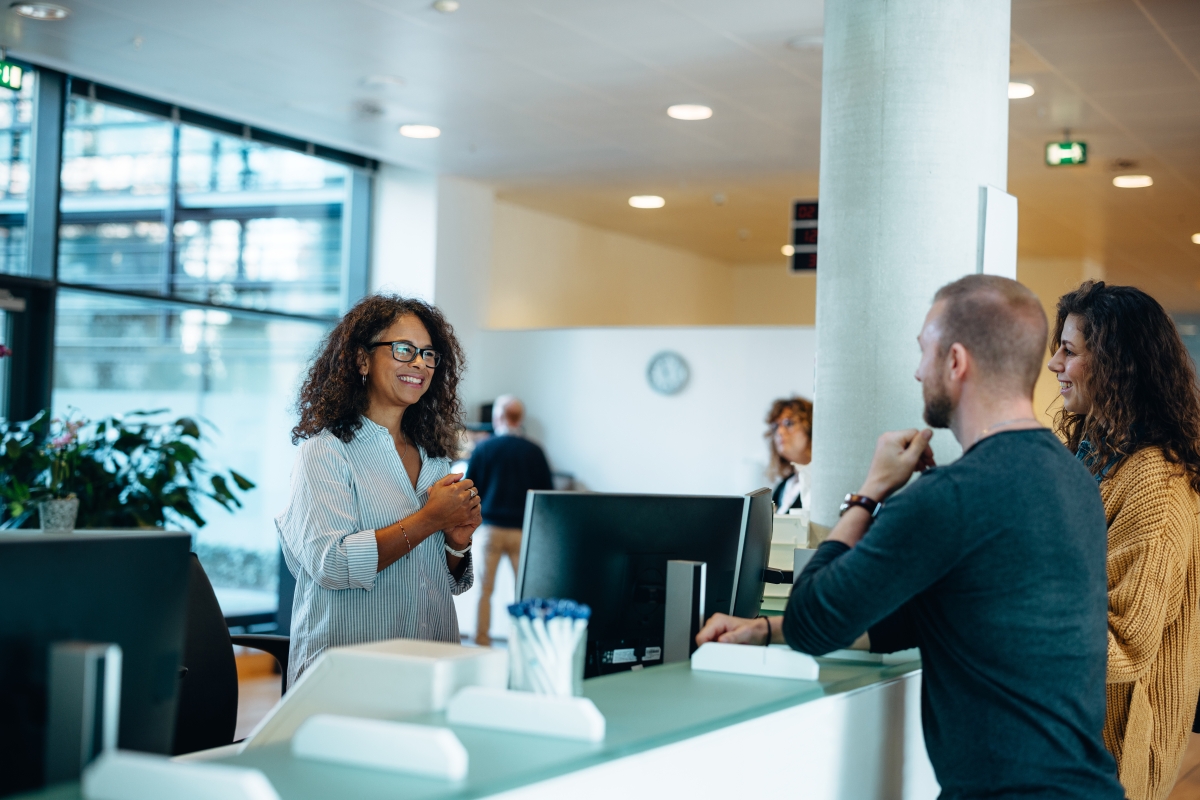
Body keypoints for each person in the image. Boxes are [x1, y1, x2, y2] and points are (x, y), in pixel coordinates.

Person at [697, 275, 1124, 800]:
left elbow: (814, 621)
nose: (917, 370)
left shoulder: (951, 496)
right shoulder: (1073, 479)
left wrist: (870, 492)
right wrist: (764, 630)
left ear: (956, 362)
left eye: (924, 350)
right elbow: (906, 622)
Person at [278, 295, 482, 685]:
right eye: (404, 350)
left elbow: (438, 580)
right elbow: (332, 564)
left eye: (428, 354)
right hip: (348, 675)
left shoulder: (434, 458)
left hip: (431, 665)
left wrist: (456, 544)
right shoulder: (325, 451)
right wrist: (429, 519)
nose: (420, 364)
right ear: (361, 359)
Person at [1047, 281, 1200, 800]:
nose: (1054, 365)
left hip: (1113, 757)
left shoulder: (1153, 480)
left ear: (1116, 363)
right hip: (1073, 739)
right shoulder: (1096, 456)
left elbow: (1123, 648)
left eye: (1070, 351)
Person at [466, 395, 553, 646]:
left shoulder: (484, 448)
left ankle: (481, 640)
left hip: (491, 530)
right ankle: (523, 641)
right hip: (522, 533)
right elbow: (545, 495)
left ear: (497, 417)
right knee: (523, 592)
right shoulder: (535, 451)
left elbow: (471, 490)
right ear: (520, 418)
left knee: (484, 591)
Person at [766, 397, 813, 513]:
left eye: (788, 423)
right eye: (775, 426)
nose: (780, 432)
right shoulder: (782, 487)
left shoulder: (822, 485)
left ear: (811, 428)